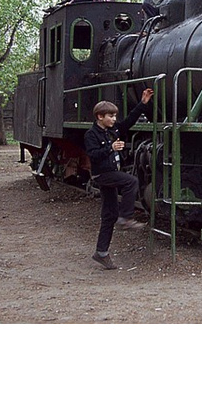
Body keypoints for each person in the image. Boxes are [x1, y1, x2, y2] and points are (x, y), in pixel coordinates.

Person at [84, 89, 154, 269]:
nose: (114, 119)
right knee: (131, 181)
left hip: (111, 173)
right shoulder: (91, 135)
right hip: (103, 174)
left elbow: (129, 120)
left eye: (115, 116)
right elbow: (93, 155)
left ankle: (101, 253)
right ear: (100, 117)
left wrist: (143, 103)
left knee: (108, 215)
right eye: (110, 116)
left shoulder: (113, 130)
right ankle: (126, 218)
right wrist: (111, 148)